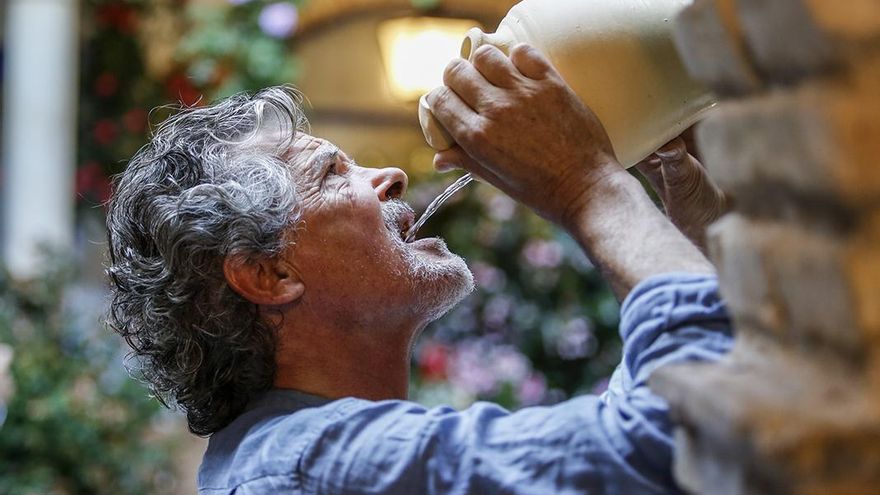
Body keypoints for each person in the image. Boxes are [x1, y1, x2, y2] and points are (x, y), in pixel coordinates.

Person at [106, 43, 732, 494]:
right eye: (331, 173)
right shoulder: (312, 466)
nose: (392, 175)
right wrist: (586, 185)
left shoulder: (303, 453)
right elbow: (701, 434)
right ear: (267, 276)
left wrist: (701, 238)